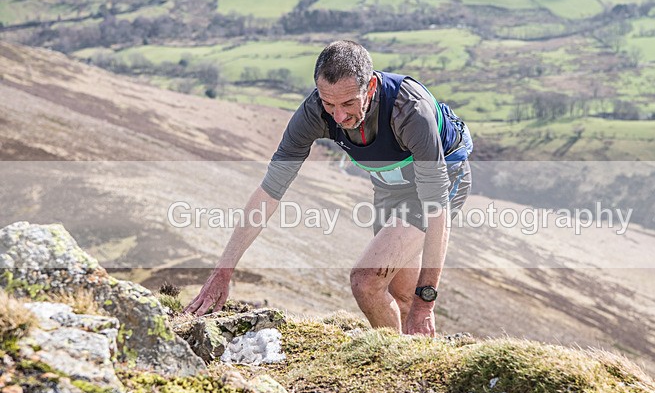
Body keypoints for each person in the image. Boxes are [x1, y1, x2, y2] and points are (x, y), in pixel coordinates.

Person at [184, 41, 472, 337]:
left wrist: (427, 303)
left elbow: (437, 210)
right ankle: (404, 361)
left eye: (348, 104)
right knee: (399, 294)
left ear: (370, 86)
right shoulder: (313, 112)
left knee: (367, 282)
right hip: (391, 184)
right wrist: (224, 270)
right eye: (328, 103)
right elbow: (269, 192)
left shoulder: (409, 111)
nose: (338, 117)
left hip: (443, 176)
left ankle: (399, 356)